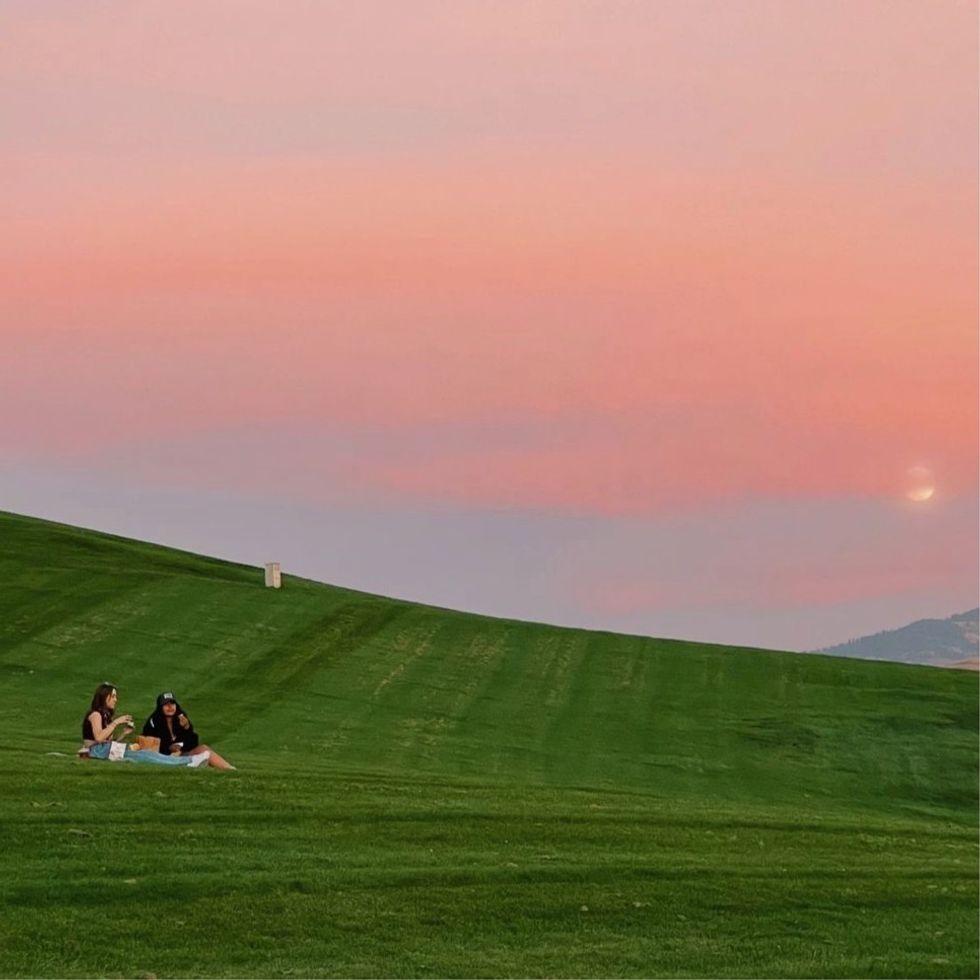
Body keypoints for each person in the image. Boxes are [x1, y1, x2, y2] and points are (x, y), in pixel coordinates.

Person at [79, 683, 207, 768]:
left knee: (145, 754)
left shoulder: (105, 715)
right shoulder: (95, 714)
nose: (115, 699)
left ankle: (188, 761)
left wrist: (124, 733)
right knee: (144, 755)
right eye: (112, 696)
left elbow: (107, 741)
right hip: (96, 752)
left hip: (103, 750)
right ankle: (188, 762)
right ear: (103, 697)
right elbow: (99, 738)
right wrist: (116, 722)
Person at [142, 691, 235, 770]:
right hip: (163, 757)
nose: (170, 707)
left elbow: (193, 740)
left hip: (181, 754)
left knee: (204, 749)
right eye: (166, 704)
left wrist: (186, 729)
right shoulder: (154, 721)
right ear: (160, 707)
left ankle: (230, 769)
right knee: (199, 754)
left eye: (172, 703)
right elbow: (150, 744)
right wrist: (170, 748)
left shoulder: (180, 717)